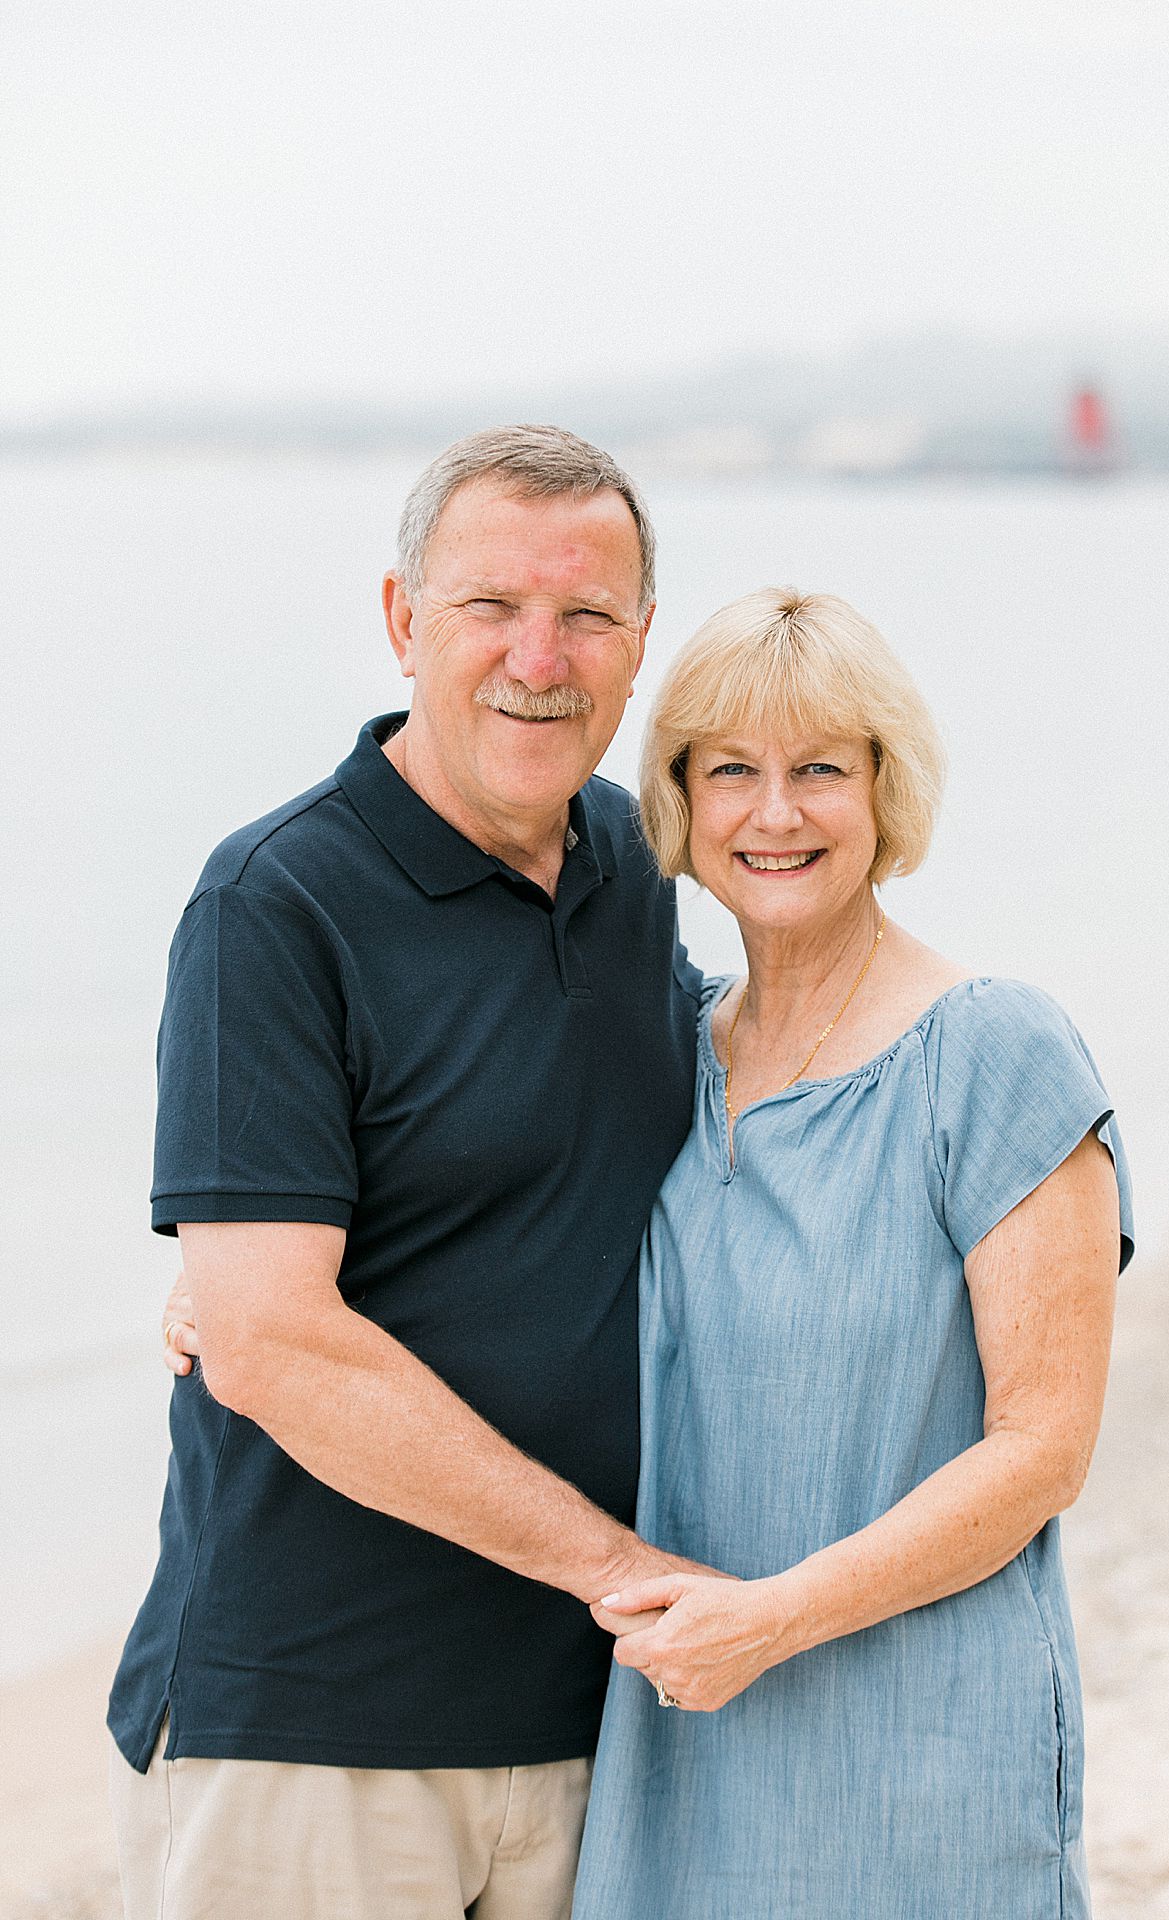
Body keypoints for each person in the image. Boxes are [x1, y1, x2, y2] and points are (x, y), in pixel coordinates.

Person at [108, 425, 718, 1920]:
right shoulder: (274, 905)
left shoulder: (634, 864)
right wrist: (621, 1570)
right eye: (488, 606)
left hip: (589, 1729)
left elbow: (749, 1088)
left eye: (587, 615)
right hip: (315, 1737)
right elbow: (274, 1342)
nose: (538, 658)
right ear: (401, 619)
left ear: (642, 641)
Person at [570, 588, 1134, 1919]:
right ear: (679, 800)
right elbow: (495, 1226)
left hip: (923, 1753)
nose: (775, 813)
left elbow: (1042, 1449)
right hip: (684, 1737)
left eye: (820, 768)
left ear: (887, 787)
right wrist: (249, 1276)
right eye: (731, 771)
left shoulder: (992, 1054)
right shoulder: (662, 1049)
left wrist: (772, 1619)